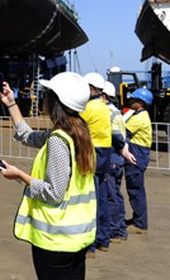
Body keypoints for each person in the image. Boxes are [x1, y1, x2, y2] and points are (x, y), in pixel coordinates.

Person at [0, 73, 96, 280]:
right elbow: (28, 136)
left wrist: (19, 175)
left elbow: (54, 193)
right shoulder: (79, 132)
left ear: (55, 102)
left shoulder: (59, 140)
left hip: (56, 238)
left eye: (47, 95)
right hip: (77, 236)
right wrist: (11, 104)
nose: (44, 99)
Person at [79, 72, 112, 257]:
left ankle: (90, 245)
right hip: (104, 153)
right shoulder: (104, 106)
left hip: (92, 153)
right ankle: (103, 239)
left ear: (91, 89)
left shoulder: (89, 108)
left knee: (90, 200)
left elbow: (76, 124)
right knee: (101, 197)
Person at [102, 81, 135, 243]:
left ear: (103, 95)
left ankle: (115, 230)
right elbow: (124, 135)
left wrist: (122, 148)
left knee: (111, 195)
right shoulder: (116, 111)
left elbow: (115, 136)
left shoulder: (106, 112)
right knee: (115, 193)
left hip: (111, 157)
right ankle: (119, 228)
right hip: (117, 158)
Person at [124, 88, 152, 235]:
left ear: (140, 103)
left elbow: (123, 131)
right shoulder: (140, 115)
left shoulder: (139, 118)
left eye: (133, 100)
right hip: (139, 151)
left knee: (135, 189)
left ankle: (140, 223)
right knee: (135, 188)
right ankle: (138, 219)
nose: (130, 101)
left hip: (137, 152)